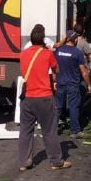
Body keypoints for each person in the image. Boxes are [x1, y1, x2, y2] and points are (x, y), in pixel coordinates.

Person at [17, 24, 72, 172]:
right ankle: (56, 161)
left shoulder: (23, 54)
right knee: (49, 131)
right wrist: (54, 79)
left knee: (25, 131)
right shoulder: (47, 53)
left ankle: (24, 162)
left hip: (27, 97)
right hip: (44, 97)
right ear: (43, 39)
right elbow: (56, 69)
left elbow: (23, 73)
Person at [54, 31, 91, 138]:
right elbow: (84, 72)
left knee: (58, 106)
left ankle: (52, 129)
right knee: (73, 106)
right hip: (72, 83)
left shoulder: (58, 51)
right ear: (75, 40)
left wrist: (54, 81)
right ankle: (74, 131)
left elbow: (55, 68)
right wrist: (89, 85)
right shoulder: (77, 52)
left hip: (60, 82)